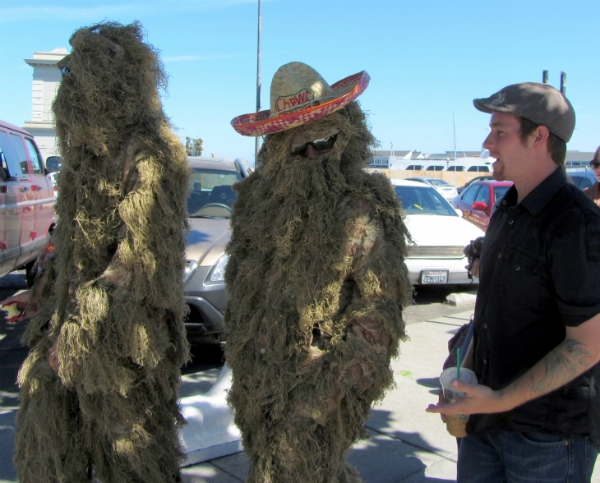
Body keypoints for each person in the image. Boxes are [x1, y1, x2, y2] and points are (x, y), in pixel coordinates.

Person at [14, 22, 190, 482]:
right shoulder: (84, 158)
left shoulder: (148, 155)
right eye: (67, 75)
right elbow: (73, 245)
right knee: (49, 447)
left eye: (79, 75)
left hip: (125, 346)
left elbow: (137, 261)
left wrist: (77, 332)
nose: (69, 87)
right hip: (69, 328)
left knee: (128, 457)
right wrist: (42, 294)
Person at [226, 62, 412, 482]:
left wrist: (319, 399)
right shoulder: (258, 208)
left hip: (318, 395)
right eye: (298, 148)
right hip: (258, 388)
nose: (312, 156)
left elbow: (379, 316)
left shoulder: (360, 212)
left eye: (323, 143)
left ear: (345, 136)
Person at [426, 82, 600, 482]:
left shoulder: (576, 225)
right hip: (484, 424)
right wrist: (461, 378)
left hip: (548, 440)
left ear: (539, 137)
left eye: (499, 131)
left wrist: (500, 400)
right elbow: (486, 314)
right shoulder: (508, 210)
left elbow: (587, 344)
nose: (487, 143)